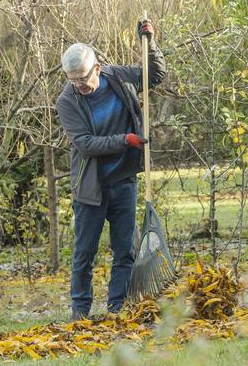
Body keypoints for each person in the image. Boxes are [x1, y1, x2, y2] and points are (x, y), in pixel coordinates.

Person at [56, 19, 166, 320]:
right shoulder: (67, 101)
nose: (78, 85)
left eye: (82, 78)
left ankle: (117, 308)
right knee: (84, 254)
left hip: (124, 182)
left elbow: (154, 75)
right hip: (91, 188)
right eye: (72, 80)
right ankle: (80, 312)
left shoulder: (118, 77)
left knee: (124, 251)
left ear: (97, 68)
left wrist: (150, 42)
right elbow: (85, 143)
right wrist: (124, 140)